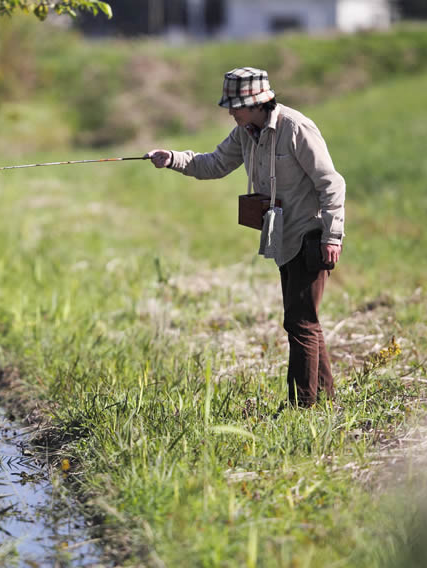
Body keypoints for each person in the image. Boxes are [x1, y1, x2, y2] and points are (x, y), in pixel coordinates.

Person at [147, 67, 345, 408]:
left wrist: (332, 236)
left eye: (235, 105)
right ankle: (324, 401)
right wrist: (173, 160)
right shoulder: (245, 132)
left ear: (257, 102)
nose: (230, 112)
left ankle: (302, 407)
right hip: (282, 237)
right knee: (304, 319)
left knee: (300, 322)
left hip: (310, 235)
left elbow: (331, 184)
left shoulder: (296, 128)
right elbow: (214, 164)